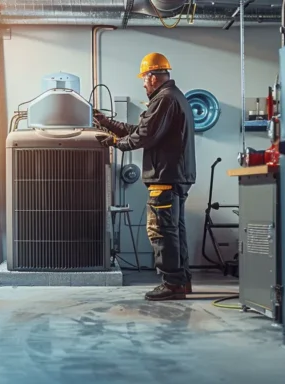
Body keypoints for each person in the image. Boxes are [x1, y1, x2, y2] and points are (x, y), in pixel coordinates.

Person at [93, 52, 197, 301]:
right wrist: (107, 123)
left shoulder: (165, 99)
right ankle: (181, 281)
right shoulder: (173, 98)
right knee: (174, 230)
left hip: (166, 176)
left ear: (153, 77)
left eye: (144, 78)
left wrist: (117, 143)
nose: (142, 83)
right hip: (176, 175)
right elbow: (142, 130)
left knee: (161, 230)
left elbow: (144, 137)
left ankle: (172, 284)